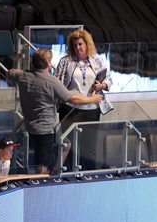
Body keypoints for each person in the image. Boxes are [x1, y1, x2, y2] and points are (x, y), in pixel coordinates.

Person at [7, 48, 103, 174]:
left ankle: (54, 173)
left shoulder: (23, 76)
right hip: (46, 129)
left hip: (30, 126)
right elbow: (72, 99)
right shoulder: (51, 81)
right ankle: (42, 183)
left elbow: (9, 73)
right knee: (43, 164)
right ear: (48, 63)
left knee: (65, 145)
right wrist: (92, 99)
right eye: (51, 61)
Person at [54, 29, 113, 170]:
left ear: (87, 44)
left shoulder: (98, 60)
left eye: (80, 44)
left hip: (92, 110)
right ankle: (68, 175)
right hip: (70, 109)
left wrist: (102, 85)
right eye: (74, 45)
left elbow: (109, 79)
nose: (77, 48)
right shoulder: (65, 61)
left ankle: (88, 175)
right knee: (70, 145)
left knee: (89, 147)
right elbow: (57, 82)